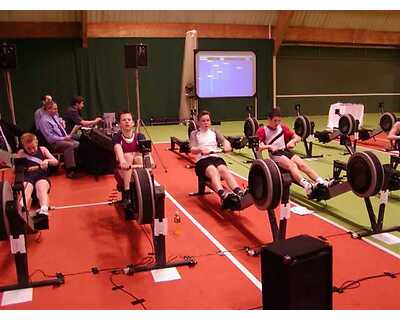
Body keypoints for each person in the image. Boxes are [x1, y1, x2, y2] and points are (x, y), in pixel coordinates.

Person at [256, 108, 331, 196]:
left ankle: (322, 182)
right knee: (292, 165)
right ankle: (307, 186)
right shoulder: (262, 130)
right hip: (275, 155)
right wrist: (269, 146)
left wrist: (292, 141)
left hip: (285, 151)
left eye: (279, 121)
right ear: (269, 119)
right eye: (275, 120)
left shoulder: (282, 128)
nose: (277, 123)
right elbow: (259, 147)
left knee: (302, 165)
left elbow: (298, 137)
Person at [189, 110, 244, 208]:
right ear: (198, 122)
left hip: (215, 157)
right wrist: (200, 148)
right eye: (203, 121)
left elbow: (224, 141)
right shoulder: (194, 133)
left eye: (208, 120)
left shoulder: (214, 131)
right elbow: (192, 149)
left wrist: (227, 145)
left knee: (224, 170)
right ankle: (223, 194)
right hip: (202, 161)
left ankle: (239, 192)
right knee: (213, 171)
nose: (206, 123)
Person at [113, 111, 151, 205]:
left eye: (129, 120)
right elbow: (118, 150)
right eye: (124, 120)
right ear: (120, 123)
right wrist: (122, 162)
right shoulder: (117, 137)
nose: (127, 122)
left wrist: (150, 162)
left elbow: (146, 153)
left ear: (133, 123)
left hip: (136, 167)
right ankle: (127, 194)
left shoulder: (139, 136)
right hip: (123, 169)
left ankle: (149, 188)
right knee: (128, 156)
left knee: (139, 158)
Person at [17, 133, 59, 217]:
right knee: (26, 191)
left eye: (33, 147)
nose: (32, 150)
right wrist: (38, 167)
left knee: (41, 188)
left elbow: (56, 162)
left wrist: (47, 160)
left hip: (41, 177)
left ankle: (44, 209)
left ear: (36, 143)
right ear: (23, 146)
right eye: (28, 149)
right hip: (27, 178)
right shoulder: (21, 153)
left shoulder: (43, 149)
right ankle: (20, 210)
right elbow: (17, 170)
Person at [38, 100, 80, 178]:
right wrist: (64, 138)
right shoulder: (44, 121)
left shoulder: (54, 116)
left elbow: (60, 129)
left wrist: (63, 126)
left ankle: (76, 165)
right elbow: (50, 138)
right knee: (70, 145)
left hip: (62, 139)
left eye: (57, 108)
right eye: (54, 109)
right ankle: (70, 170)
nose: (56, 111)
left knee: (78, 144)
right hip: (53, 143)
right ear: (48, 109)